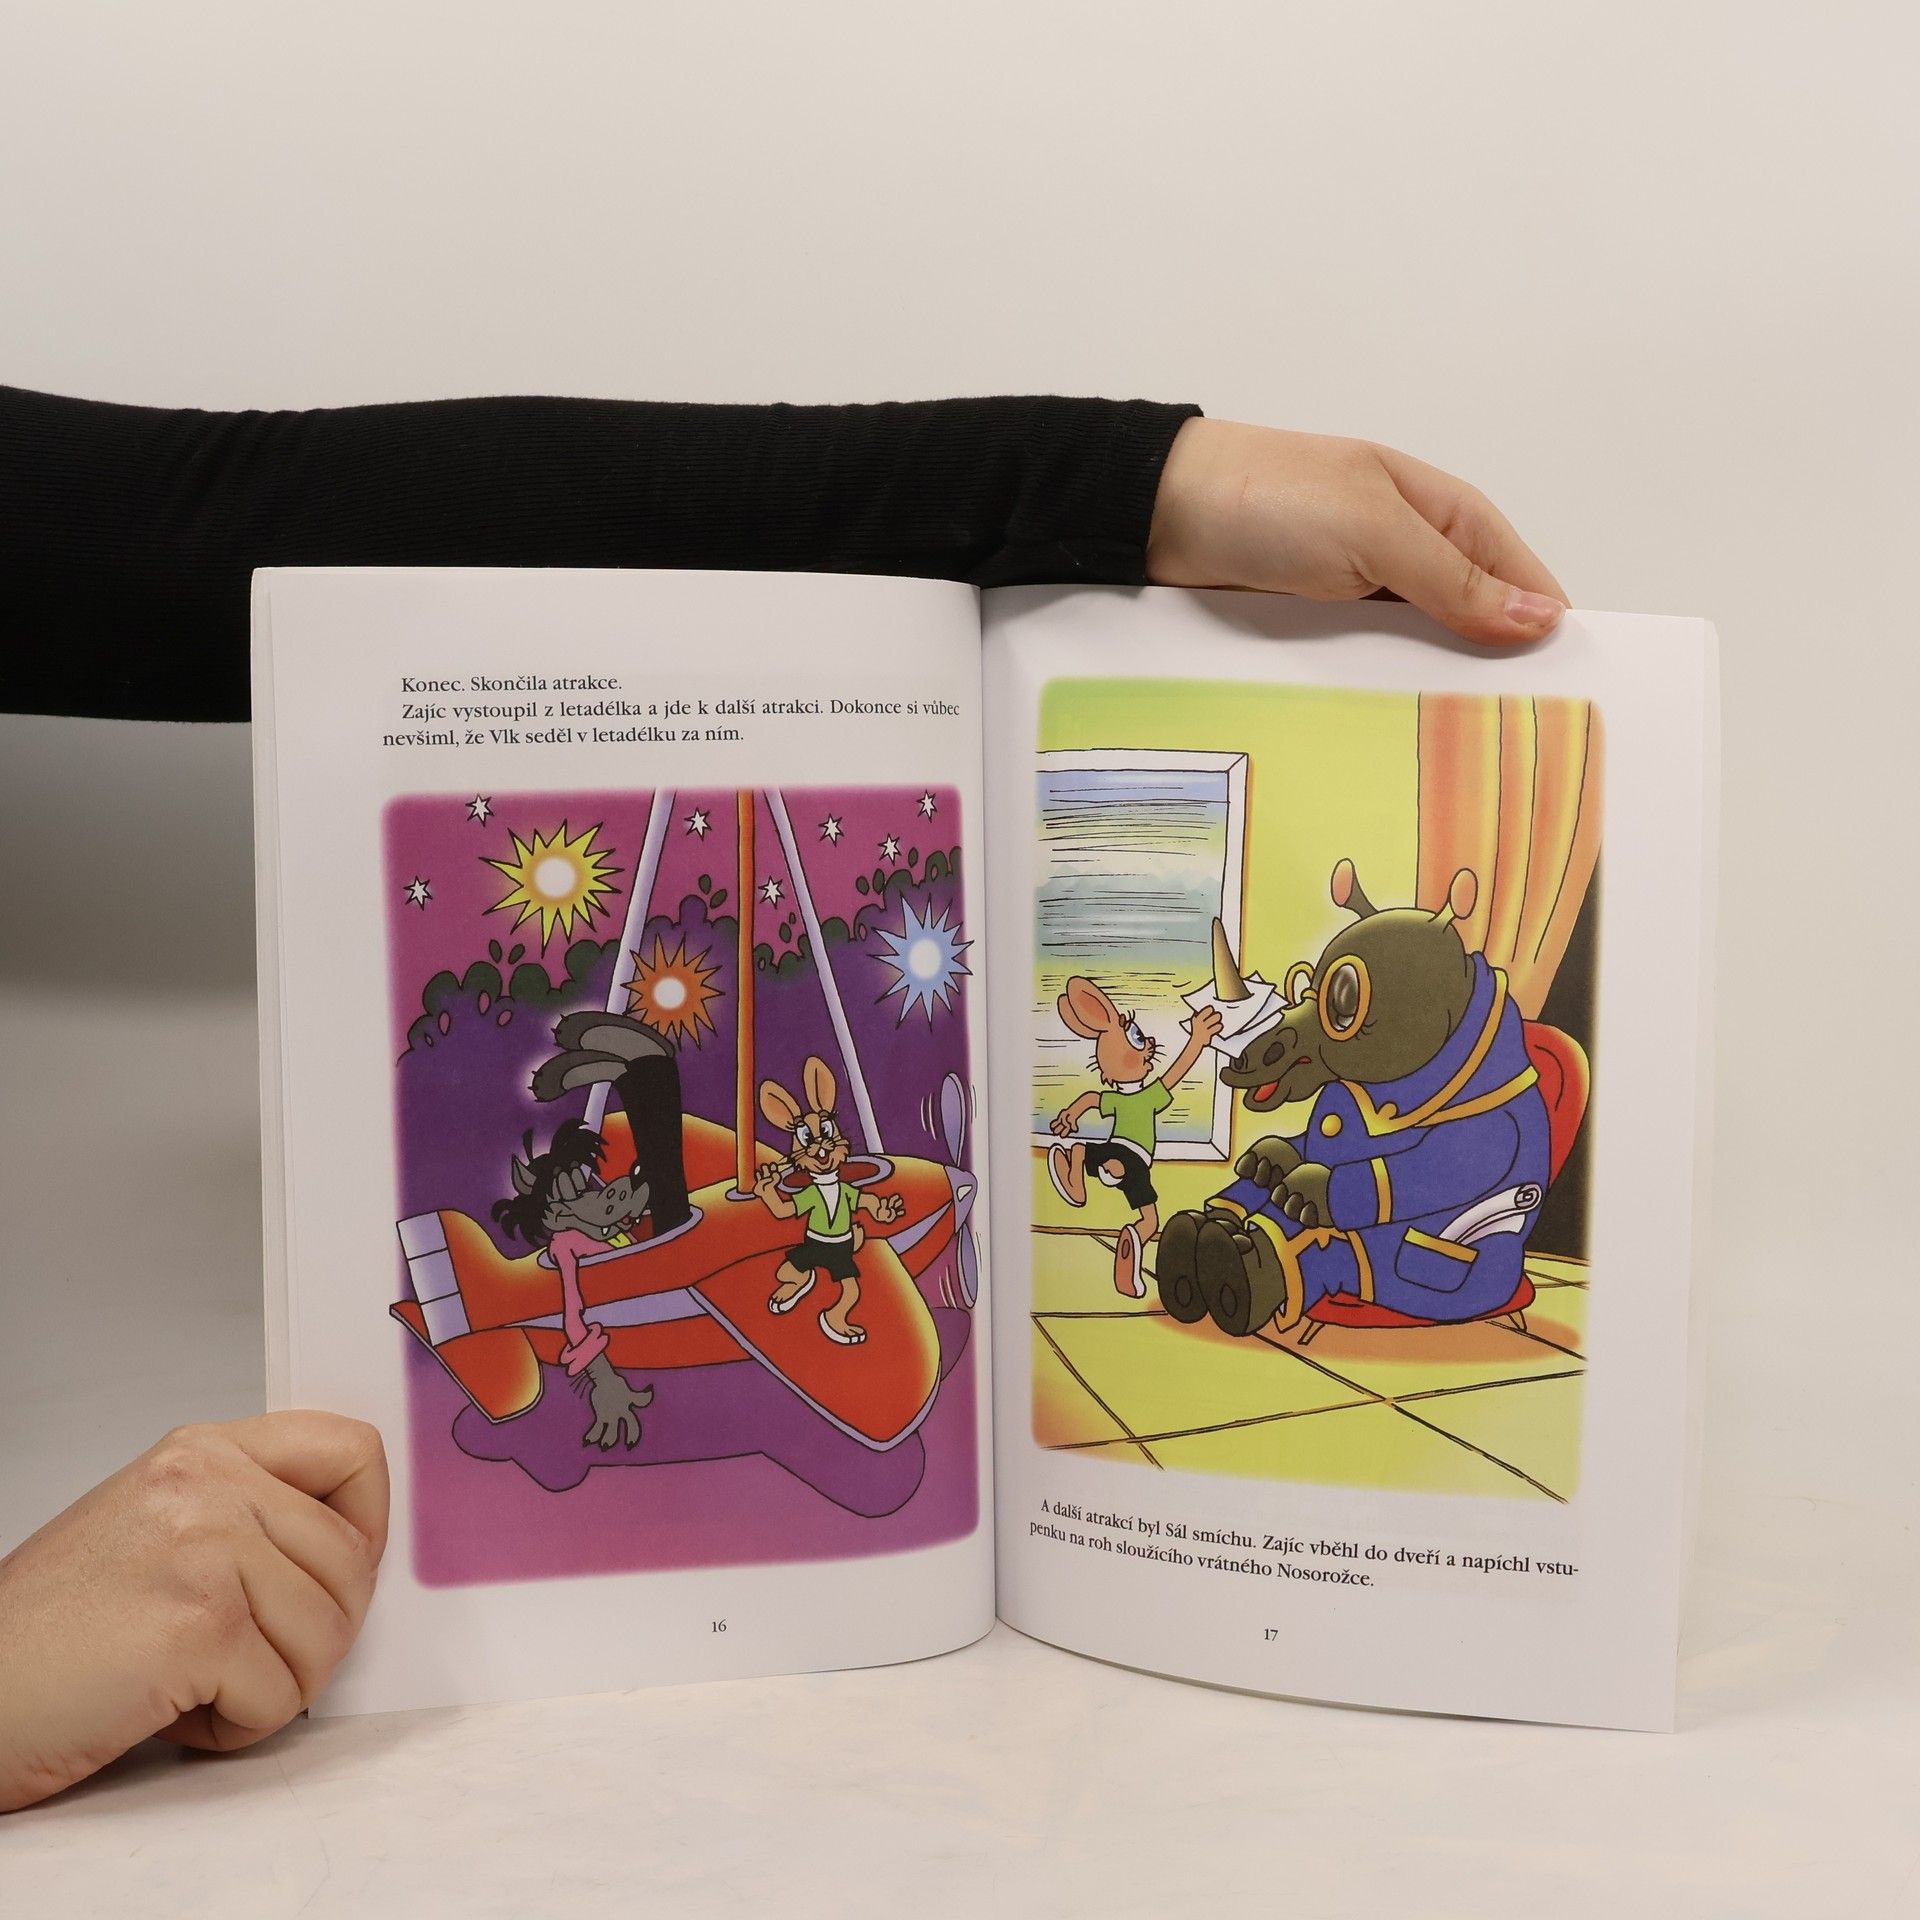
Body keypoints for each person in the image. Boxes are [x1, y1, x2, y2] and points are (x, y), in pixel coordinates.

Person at [0, 385, 1567, 1810]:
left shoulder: (844, 1224)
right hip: (742, 1290)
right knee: (741, 1230)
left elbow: (222, 515)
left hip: (810, 1269)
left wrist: (1140, 484)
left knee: (745, 1211)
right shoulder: (811, 1251)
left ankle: (1267, 1251)